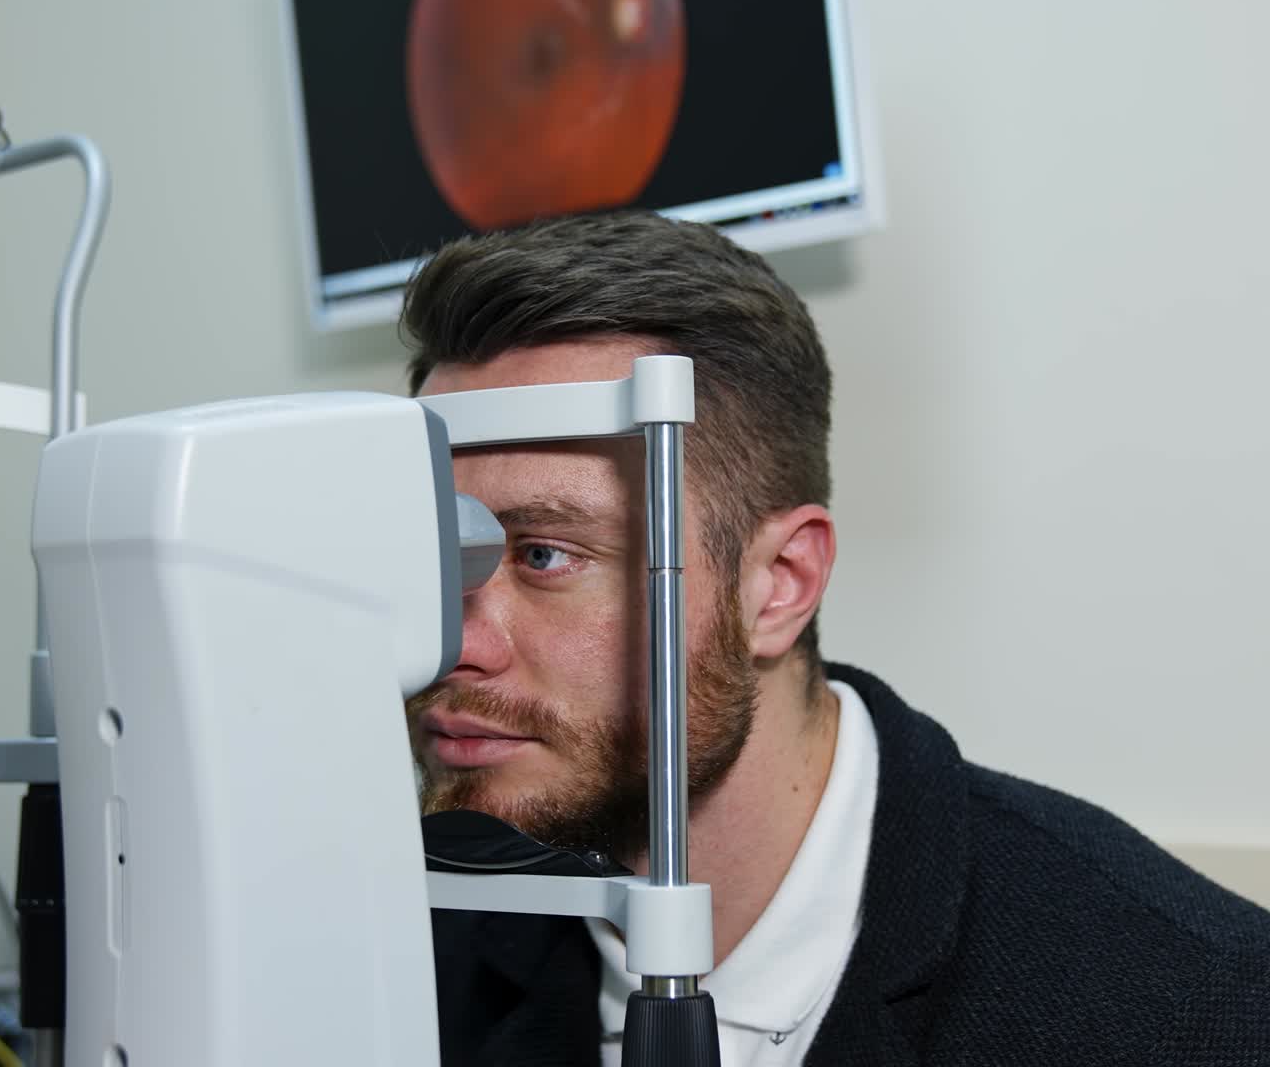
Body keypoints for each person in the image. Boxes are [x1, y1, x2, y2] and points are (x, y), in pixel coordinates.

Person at [401, 211, 1270, 1066]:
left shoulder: (1186, 1007)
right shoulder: (415, 953)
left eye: (547, 554)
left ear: (781, 583)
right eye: (440, 561)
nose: (454, 645)